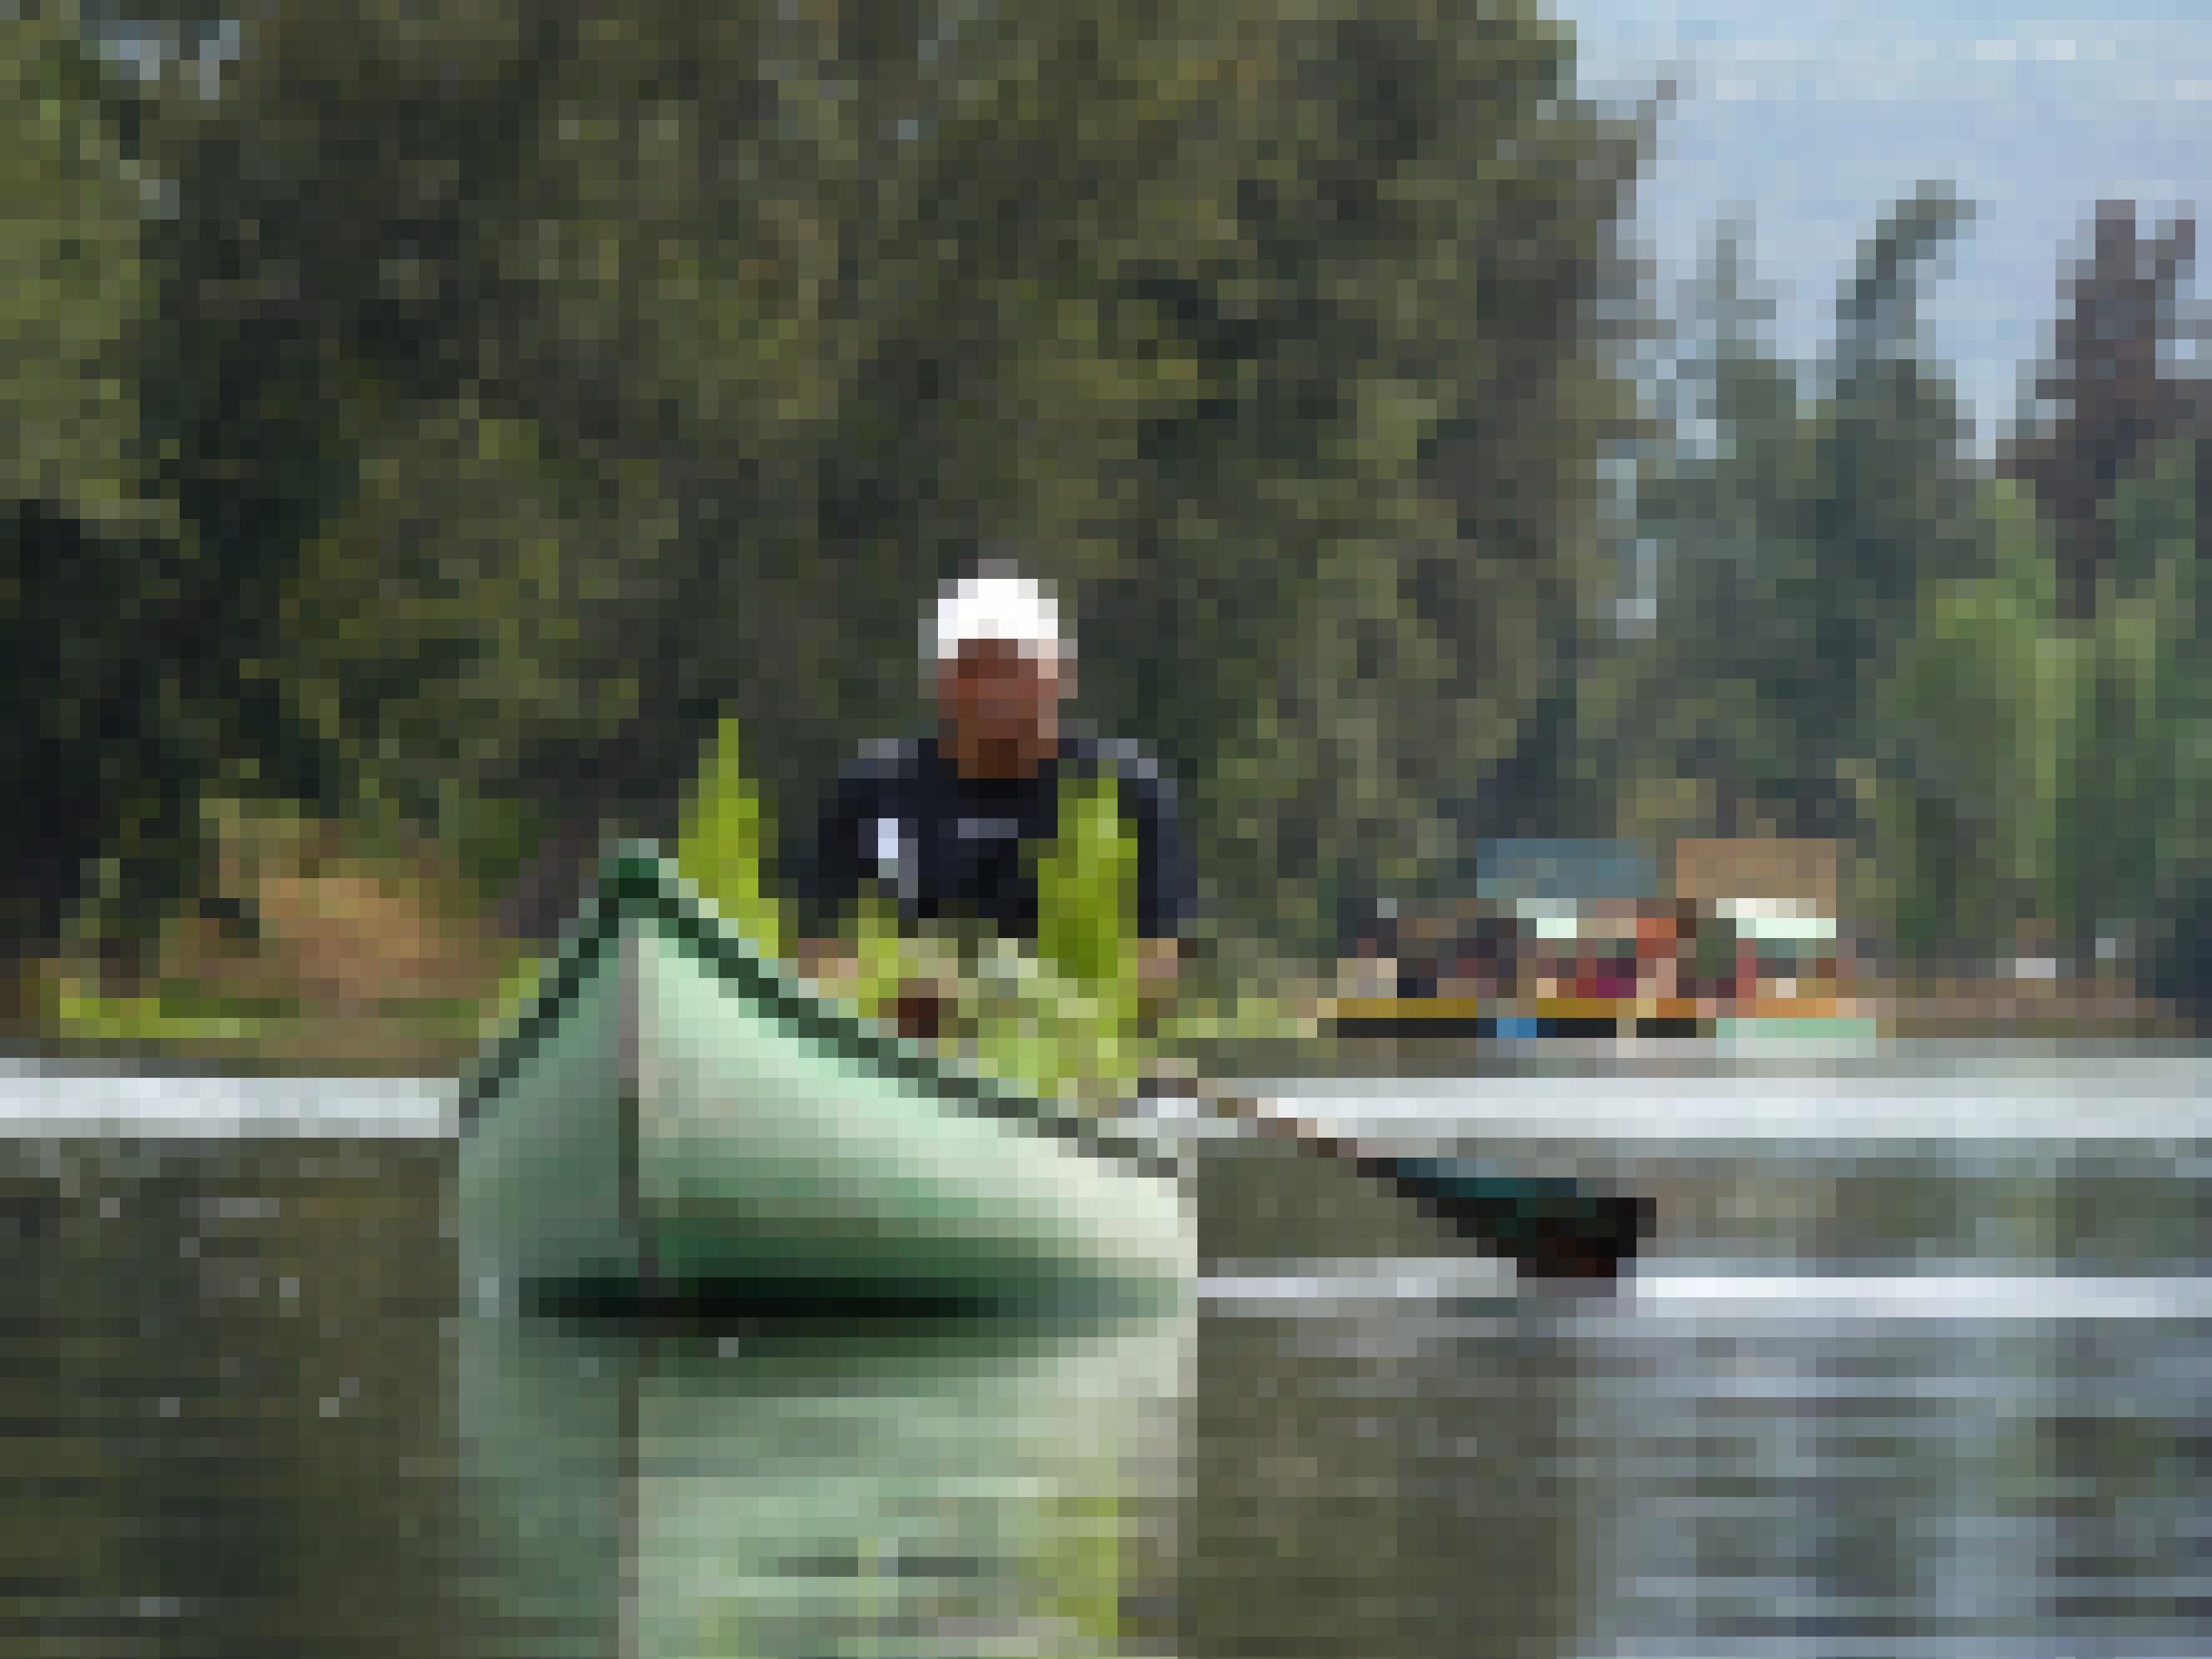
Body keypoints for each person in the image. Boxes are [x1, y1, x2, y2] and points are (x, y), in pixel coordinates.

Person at [786, 568, 1192, 1034]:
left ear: (1062, 676)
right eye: (973, 669)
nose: (995, 692)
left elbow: (1154, 975)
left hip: (1065, 1052)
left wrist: (1019, 1007)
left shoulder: (1124, 792)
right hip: (901, 1053)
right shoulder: (873, 790)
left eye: (1016, 669)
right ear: (937, 680)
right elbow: (814, 960)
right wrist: (890, 997)